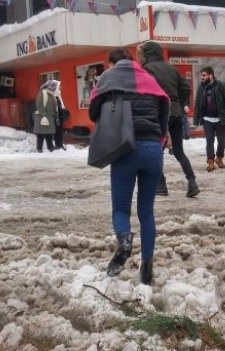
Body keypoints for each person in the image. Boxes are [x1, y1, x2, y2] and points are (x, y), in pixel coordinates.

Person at [89, 48, 170, 285]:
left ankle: (124, 240)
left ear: (112, 62)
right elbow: (164, 110)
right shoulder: (150, 79)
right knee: (147, 212)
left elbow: (94, 113)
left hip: (125, 150)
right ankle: (146, 267)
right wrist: (160, 140)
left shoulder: (108, 78)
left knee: (121, 210)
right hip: (153, 150)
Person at [136, 41, 200, 198]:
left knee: (156, 151)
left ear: (146, 54)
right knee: (179, 152)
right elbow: (186, 88)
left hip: (159, 114)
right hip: (177, 113)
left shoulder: (146, 69)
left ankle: (161, 186)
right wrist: (177, 101)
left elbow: (146, 92)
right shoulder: (172, 68)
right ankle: (192, 182)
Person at [193, 66, 225, 172]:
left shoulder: (221, 85)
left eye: (204, 75)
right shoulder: (201, 88)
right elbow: (197, 104)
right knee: (209, 141)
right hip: (207, 119)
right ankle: (210, 161)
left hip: (220, 119)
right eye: (201, 75)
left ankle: (219, 158)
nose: (202, 77)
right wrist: (196, 120)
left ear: (211, 75)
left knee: (221, 141)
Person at [33, 80, 58, 152]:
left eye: (54, 86)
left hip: (50, 116)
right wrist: (43, 115)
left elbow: (54, 106)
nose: (53, 87)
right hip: (42, 116)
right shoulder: (42, 93)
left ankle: (50, 147)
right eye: (52, 86)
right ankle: (39, 148)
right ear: (47, 86)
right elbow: (39, 105)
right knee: (40, 134)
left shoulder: (51, 94)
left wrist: (55, 114)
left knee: (48, 133)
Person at [51, 80, 69, 150]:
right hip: (56, 115)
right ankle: (57, 144)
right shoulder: (52, 96)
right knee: (56, 130)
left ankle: (60, 144)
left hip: (60, 114)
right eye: (59, 86)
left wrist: (64, 111)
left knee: (60, 130)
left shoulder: (58, 95)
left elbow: (62, 105)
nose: (61, 87)